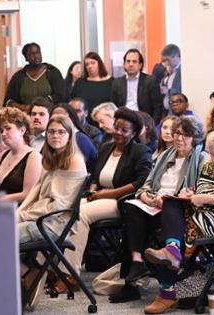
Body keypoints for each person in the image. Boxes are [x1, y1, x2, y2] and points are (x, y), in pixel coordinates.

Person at [143, 128, 214, 313]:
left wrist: (205, 198)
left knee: (175, 227)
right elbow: (202, 188)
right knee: (170, 203)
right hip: (200, 213)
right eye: (211, 154)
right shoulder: (210, 166)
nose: (212, 159)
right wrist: (191, 194)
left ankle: (167, 292)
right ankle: (172, 252)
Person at [110, 115, 207, 303]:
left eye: (185, 135)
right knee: (131, 208)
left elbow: (201, 189)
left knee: (153, 214)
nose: (179, 138)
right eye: (177, 133)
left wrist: (177, 197)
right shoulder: (165, 155)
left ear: (194, 139)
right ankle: (137, 262)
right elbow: (146, 184)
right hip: (155, 204)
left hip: (179, 209)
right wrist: (145, 195)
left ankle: (158, 283)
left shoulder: (201, 158)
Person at [63, 108, 152, 291]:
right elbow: (95, 175)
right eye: (117, 128)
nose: (118, 133)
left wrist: (105, 194)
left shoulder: (139, 151)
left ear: (134, 133)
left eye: (124, 130)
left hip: (120, 201)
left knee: (80, 214)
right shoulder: (105, 148)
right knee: (63, 211)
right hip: (98, 195)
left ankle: (70, 274)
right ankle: (50, 268)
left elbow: (141, 182)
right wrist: (94, 188)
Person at [17, 114, 87, 309]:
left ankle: (28, 271)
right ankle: (26, 272)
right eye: (51, 132)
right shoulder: (50, 157)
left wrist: (22, 215)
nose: (55, 136)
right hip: (38, 218)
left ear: (70, 135)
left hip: (52, 224)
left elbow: (58, 206)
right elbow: (36, 191)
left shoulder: (74, 160)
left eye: (61, 132)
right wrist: (17, 214)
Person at [0, 107, 42, 203]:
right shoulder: (4, 154)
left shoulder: (33, 157)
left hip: (17, 212)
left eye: (8, 128)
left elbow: (28, 194)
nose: (3, 134)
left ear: (22, 130)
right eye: (1, 130)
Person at [4, 42, 66, 112]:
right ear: (26, 58)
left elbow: (61, 95)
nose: (36, 56)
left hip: (50, 114)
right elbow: (8, 101)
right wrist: (22, 107)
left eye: (38, 53)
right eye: (32, 54)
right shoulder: (18, 77)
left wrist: (38, 105)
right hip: (25, 116)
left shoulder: (52, 72)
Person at [111, 48, 164, 123]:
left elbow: (158, 107)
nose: (131, 64)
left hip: (143, 120)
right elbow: (114, 106)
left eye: (134, 61)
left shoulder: (150, 81)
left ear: (140, 65)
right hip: (123, 120)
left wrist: (153, 125)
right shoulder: (117, 82)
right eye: (128, 61)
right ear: (124, 64)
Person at [51, 103, 98, 172]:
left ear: (72, 119)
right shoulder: (51, 137)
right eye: (54, 116)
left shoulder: (80, 139)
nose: (57, 119)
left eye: (62, 116)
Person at [71, 52, 114, 117]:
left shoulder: (112, 82)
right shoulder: (80, 83)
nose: (90, 66)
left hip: (105, 120)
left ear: (99, 63)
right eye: (87, 64)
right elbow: (74, 102)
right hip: (85, 121)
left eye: (93, 63)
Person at [159, 44, 182, 111]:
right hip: (168, 111)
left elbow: (182, 91)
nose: (166, 63)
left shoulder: (183, 71)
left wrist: (168, 91)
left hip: (178, 111)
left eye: (168, 60)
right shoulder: (170, 71)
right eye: (165, 60)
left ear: (177, 56)